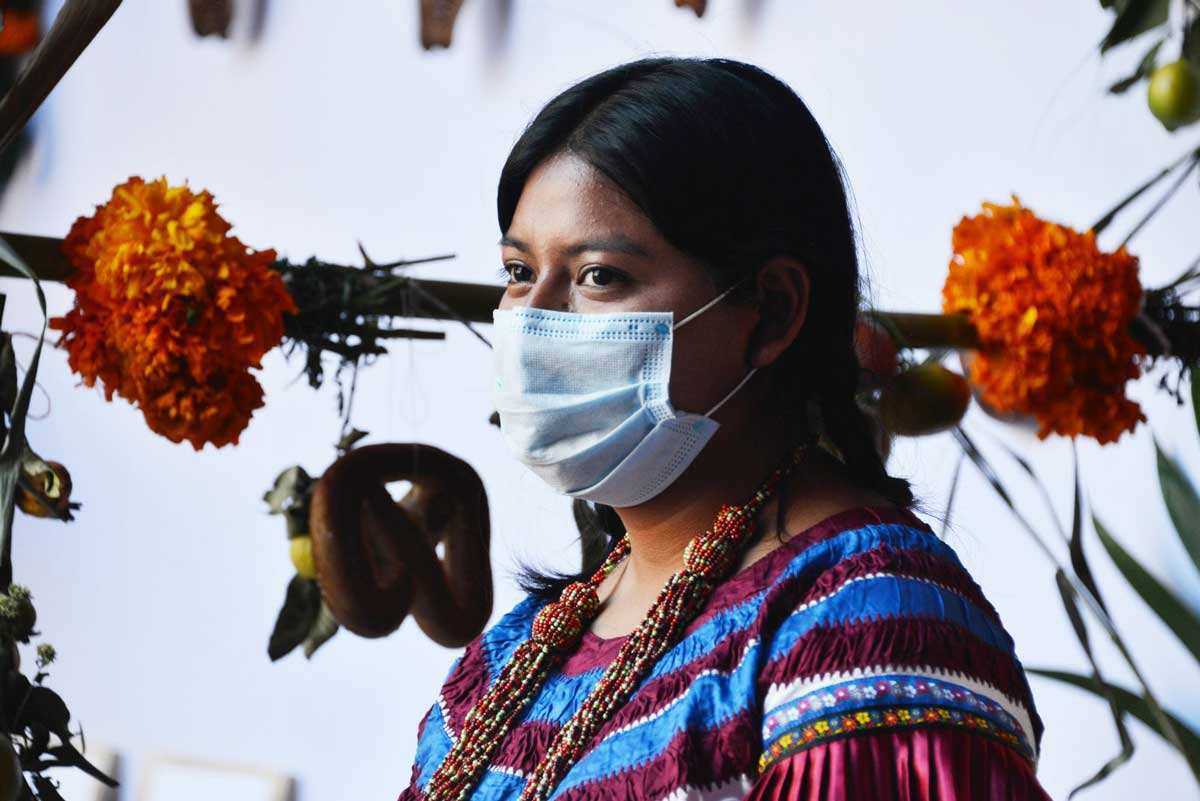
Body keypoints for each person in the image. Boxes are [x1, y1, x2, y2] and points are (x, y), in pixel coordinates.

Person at [397, 56, 1051, 801]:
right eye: (519, 271)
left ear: (770, 311)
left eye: (598, 276)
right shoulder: (511, 659)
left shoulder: (862, 627)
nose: (533, 319)